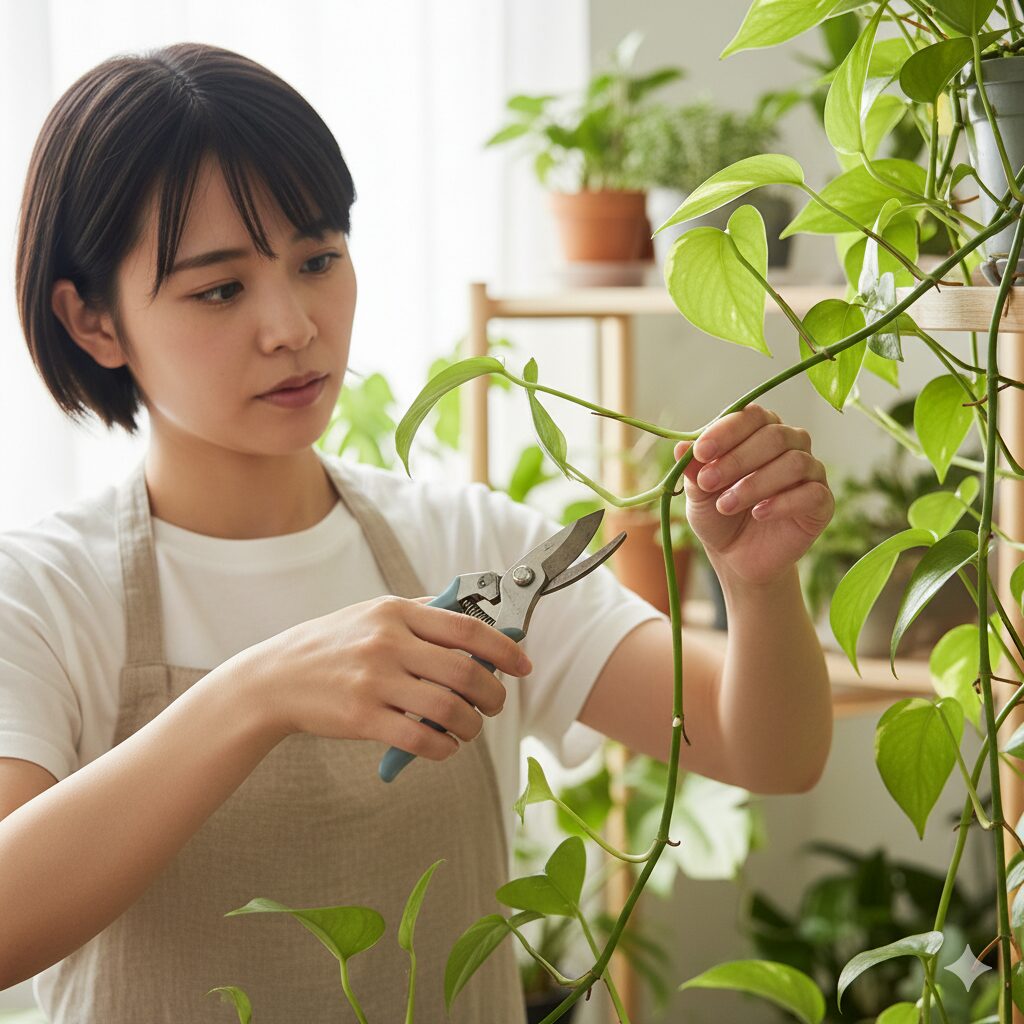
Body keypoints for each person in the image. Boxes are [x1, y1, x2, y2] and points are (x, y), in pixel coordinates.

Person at [0, 41, 835, 1023]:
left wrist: (759, 584)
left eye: (317, 260)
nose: (293, 325)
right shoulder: (42, 594)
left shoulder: (463, 542)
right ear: (93, 322)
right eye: (218, 289)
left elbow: (768, 750)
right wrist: (256, 693)